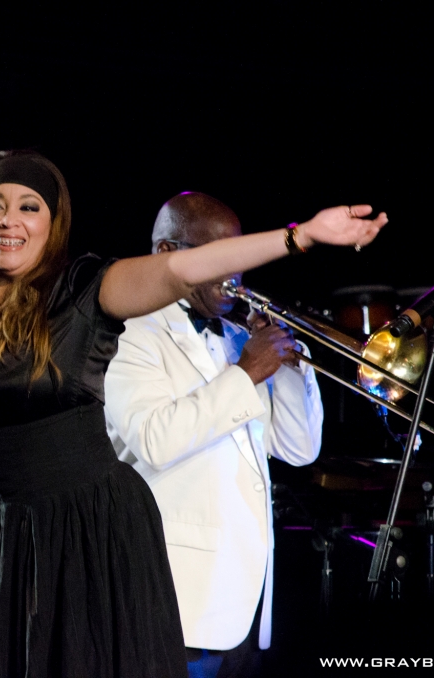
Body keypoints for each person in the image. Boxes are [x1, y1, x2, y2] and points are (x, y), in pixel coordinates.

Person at [0, 150, 386, 678]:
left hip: (92, 530)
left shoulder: (84, 293)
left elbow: (180, 267)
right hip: (7, 537)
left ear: (51, 225)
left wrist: (300, 236)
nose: (10, 219)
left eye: (30, 206)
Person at [103, 192, 324, 678]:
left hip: (245, 604)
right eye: (219, 256)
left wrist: (289, 366)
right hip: (174, 603)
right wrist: (246, 373)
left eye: (238, 257)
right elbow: (153, 439)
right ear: (167, 254)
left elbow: (298, 450)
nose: (234, 274)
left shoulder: (238, 338)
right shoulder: (128, 333)